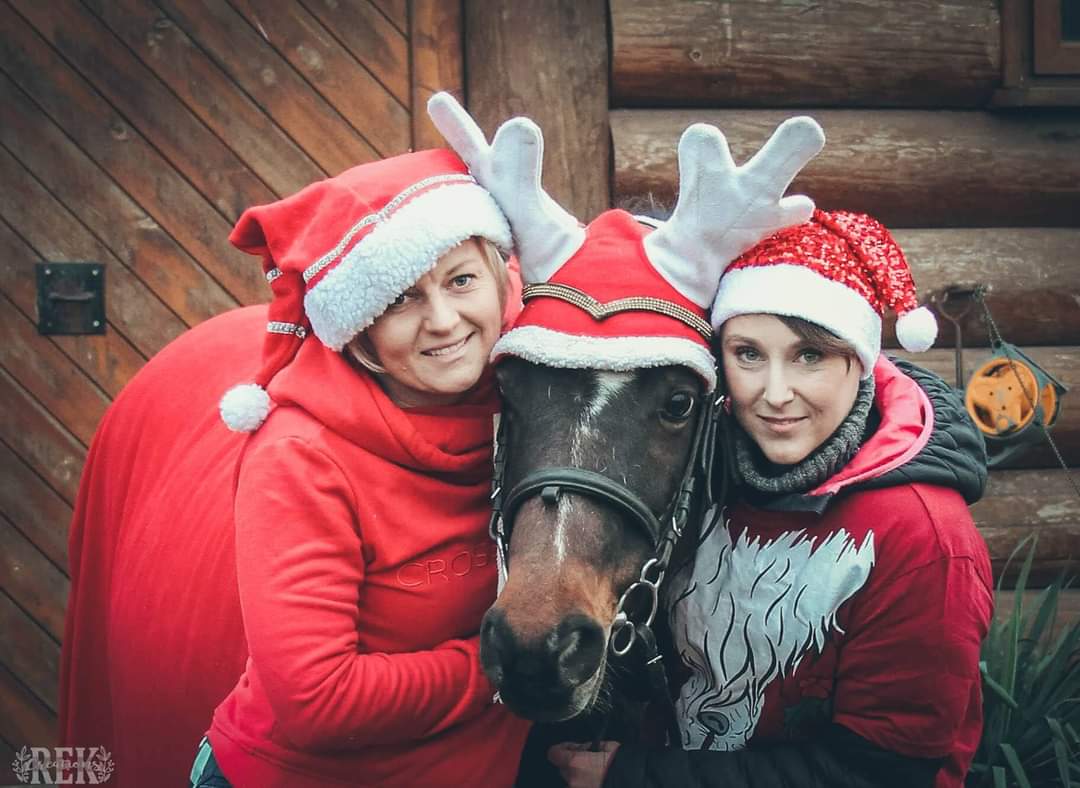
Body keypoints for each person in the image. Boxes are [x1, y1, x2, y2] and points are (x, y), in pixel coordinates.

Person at [550, 210, 993, 788]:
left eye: (809, 356)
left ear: (860, 360)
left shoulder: (922, 538)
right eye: (749, 354)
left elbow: (881, 771)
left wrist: (635, 776)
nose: (775, 394)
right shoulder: (706, 470)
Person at [188, 149, 531, 787]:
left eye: (461, 280)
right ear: (359, 325)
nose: (444, 321)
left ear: (500, 279)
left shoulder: (533, 405)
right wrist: (510, 666)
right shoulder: (302, 456)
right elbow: (318, 701)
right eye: (401, 298)